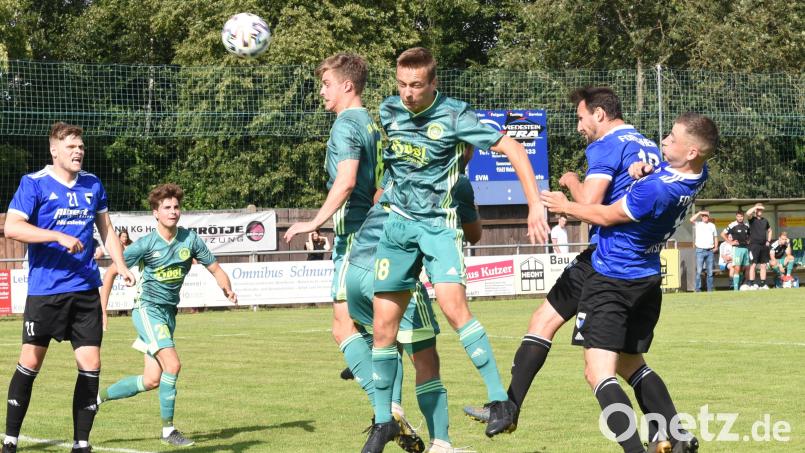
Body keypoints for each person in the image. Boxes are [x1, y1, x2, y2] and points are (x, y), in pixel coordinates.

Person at [361, 47, 550, 453]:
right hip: (396, 229)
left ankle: (500, 401)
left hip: (437, 227)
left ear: (433, 83)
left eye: (416, 85)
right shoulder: (389, 111)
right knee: (383, 329)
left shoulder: (455, 115)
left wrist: (534, 203)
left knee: (453, 309)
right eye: (401, 84)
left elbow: (515, 149)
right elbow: (390, 169)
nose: (407, 93)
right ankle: (383, 421)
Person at [463, 86, 673, 446]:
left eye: (580, 117)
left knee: (605, 368)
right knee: (546, 321)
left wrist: (571, 181)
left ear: (599, 114)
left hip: (608, 262)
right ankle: (508, 408)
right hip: (631, 260)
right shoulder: (648, 145)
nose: (578, 126)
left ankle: (658, 437)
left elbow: (589, 202)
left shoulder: (606, 145)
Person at [540, 112, 717, 453]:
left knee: (598, 373)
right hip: (646, 280)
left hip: (613, 279)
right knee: (631, 364)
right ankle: (678, 436)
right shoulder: (698, 172)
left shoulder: (656, 190)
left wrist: (567, 204)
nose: (664, 140)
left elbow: (606, 216)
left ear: (692, 151)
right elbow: (671, 170)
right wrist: (647, 168)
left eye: (673, 138)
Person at [2, 122, 136, 453]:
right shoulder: (34, 183)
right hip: (46, 291)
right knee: (30, 363)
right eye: (72, 147)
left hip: (86, 290)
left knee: (92, 365)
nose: (79, 151)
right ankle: (10, 440)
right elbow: (12, 228)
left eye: (81, 146)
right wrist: (56, 236)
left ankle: (81, 444)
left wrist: (120, 265)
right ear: (54, 151)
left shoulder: (92, 183)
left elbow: (107, 229)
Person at [348, 174, 481, 453]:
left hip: (357, 266)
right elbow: (474, 234)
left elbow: (377, 198)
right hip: (395, 271)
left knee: (386, 340)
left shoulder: (400, 162)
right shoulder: (456, 179)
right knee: (426, 361)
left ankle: (392, 408)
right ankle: (439, 443)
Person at [97, 183, 237, 447]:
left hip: (168, 314)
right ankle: (168, 431)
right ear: (155, 213)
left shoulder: (190, 240)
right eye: (167, 207)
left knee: (151, 380)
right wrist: (102, 310)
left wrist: (226, 288)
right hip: (147, 310)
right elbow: (111, 271)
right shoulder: (146, 244)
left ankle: (95, 399)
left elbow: (216, 269)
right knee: (172, 365)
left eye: (176, 207)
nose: (173, 211)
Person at [721, 211, 751, 290]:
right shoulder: (732, 225)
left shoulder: (747, 225)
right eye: (738, 216)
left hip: (745, 249)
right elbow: (722, 234)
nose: (740, 218)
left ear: (743, 217)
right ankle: (736, 288)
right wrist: (730, 242)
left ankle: (744, 285)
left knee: (746, 267)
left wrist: (749, 240)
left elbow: (750, 235)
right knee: (737, 268)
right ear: (736, 217)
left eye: (741, 216)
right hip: (737, 249)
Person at [689, 210, 718, 292]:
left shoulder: (712, 225)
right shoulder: (698, 224)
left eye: (706, 216)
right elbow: (691, 219)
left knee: (710, 272)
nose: (705, 217)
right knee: (699, 271)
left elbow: (715, 236)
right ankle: (697, 289)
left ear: (708, 217)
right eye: (704, 216)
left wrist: (716, 247)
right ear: (701, 217)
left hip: (710, 251)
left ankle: (710, 289)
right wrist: (699, 213)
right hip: (700, 250)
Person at [746, 203, 772, 289]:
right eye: (758, 209)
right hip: (754, 245)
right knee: (753, 265)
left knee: (763, 265)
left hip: (763, 246)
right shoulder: (752, 219)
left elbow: (770, 230)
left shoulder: (765, 220)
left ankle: (763, 284)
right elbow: (747, 213)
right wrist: (756, 207)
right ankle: (751, 284)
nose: (760, 211)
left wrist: (768, 241)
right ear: (755, 210)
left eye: (761, 209)